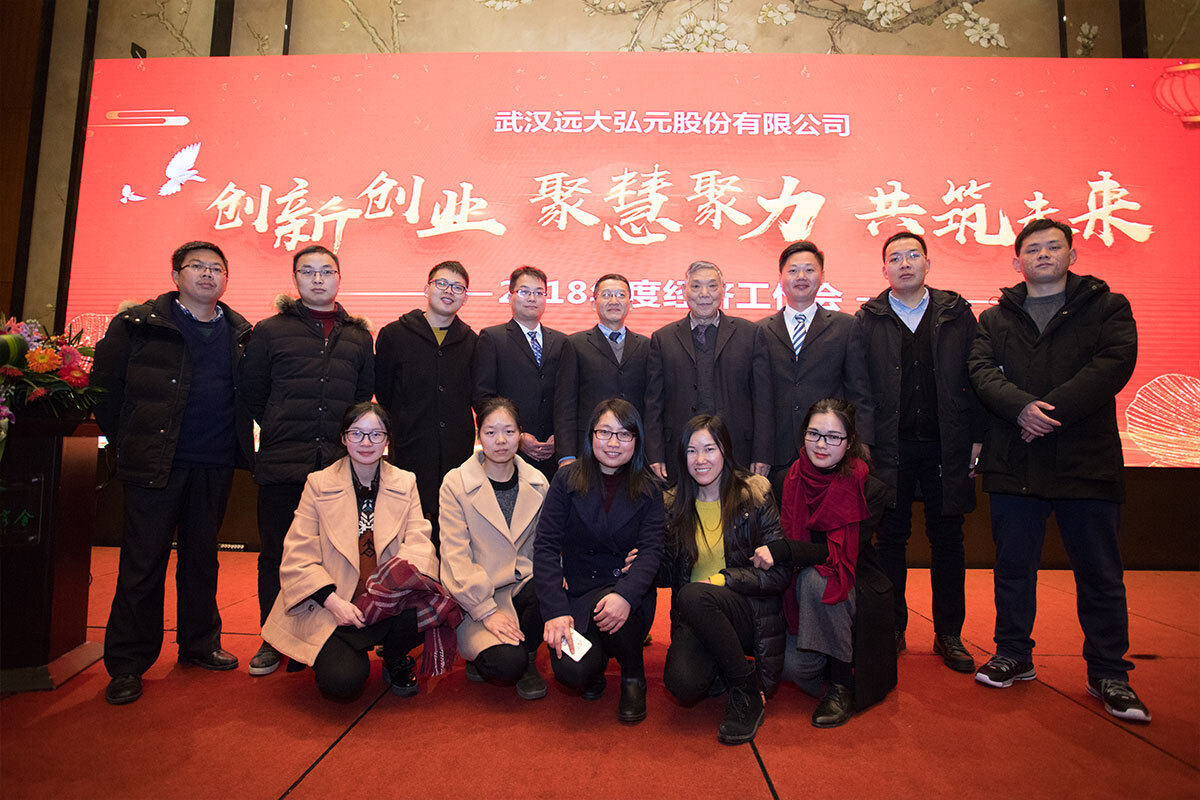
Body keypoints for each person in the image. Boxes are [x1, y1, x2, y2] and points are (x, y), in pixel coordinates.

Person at [968, 218, 1149, 723]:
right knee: (1013, 567)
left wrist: (1047, 413)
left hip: (1084, 459)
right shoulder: (994, 318)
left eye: (1053, 247)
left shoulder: (1107, 307)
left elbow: (1113, 365)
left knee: (1099, 573)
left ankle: (1109, 671)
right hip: (1015, 458)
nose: (1043, 255)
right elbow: (980, 371)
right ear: (1017, 261)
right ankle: (1013, 653)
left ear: (1072, 255)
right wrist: (1021, 409)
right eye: (1033, 249)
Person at [91, 240, 253, 705]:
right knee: (143, 564)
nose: (207, 274)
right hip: (155, 463)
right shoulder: (138, 324)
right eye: (196, 266)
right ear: (175, 275)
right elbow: (104, 390)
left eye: (216, 268)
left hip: (214, 462)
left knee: (202, 558)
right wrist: (129, 441)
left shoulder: (240, 332)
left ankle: (199, 643)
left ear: (226, 279)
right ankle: (128, 662)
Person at [239, 244, 375, 677]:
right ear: (295, 279)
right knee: (277, 553)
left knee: (334, 554)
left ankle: (323, 634)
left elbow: (361, 399)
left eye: (326, 271)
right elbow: (253, 391)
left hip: (336, 465)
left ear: (339, 278)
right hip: (283, 460)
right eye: (308, 271)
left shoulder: (358, 336)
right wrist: (279, 423)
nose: (318, 279)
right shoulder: (269, 331)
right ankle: (273, 637)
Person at [261, 403, 452, 701]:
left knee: (434, 604)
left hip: (386, 603)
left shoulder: (405, 482)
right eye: (357, 433)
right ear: (343, 437)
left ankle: (394, 656)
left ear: (387, 440)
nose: (366, 442)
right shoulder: (318, 484)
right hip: (335, 607)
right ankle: (337, 650)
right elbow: (298, 555)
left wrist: (388, 592)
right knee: (342, 682)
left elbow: (419, 541)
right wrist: (333, 602)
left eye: (376, 434)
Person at [856, 232, 983, 671]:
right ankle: (893, 628)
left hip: (947, 445)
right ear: (884, 269)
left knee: (948, 540)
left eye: (913, 255)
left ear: (928, 263)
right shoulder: (868, 318)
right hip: (889, 448)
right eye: (895, 258)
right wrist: (863, 442)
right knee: (890, 540)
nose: (905, 263)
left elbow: (978, 375)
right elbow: (859, 387)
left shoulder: (956, 313)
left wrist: (978, 435)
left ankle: (949, 633)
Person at [752, 398, 890, 728]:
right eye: (814, 434)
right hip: (798, 591)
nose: (821, 444)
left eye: (833, 437)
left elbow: (836, 554)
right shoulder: (786, 480)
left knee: (819, 579)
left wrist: (785, 550)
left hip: (853, 583)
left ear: (850, 442)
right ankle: (828, 662)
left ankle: (842, 684)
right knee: (791, 669)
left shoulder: (870, 488)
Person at [660, 415, 790, 746]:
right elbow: (666, 572)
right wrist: (641, 560)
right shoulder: (674, 505)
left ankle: (745, 689)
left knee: (694, 595)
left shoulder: (754, 496)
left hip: (746, 610)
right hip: (696, 614)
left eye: (710, 449)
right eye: (691, 451)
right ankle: (720, 665)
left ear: (726, 451)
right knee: (682, 683)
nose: (700, 459)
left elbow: (779, 573)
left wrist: (723, 579)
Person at [533, 399, 664, 724]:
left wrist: (626, 595)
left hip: (626, 593)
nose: (613, 442)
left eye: (624, 434)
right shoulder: (566, 480)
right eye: (605, 432)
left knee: (616, 612)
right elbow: (545, 547)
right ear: (591, 435)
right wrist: (556, 611)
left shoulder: (649, 487)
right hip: (577, 594)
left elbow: (651, 550)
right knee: (572, 673)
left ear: (636, 440)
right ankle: (596, 665)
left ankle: (633, 675)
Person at [439, 398, 551, 699]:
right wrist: (486, 612)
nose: (501, 440)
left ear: (520, 435)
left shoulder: (538, 482)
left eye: (509, 432)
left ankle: (530, 657)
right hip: (477, 595)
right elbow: (455, 558)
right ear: (479, 435)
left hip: (522, 587)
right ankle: (485, 656)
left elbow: (545, 545)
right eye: (490, 432)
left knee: (550, 584)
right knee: (506, 665)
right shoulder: (455, 483)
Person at [759, 241, 873, 497]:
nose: (801, 276)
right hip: (778, 452)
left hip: (831, 448)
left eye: (809, 270)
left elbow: (859, 390)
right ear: (781, 278)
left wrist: (862, 442)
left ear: (822, 276)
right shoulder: (760, 331)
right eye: (793, 270)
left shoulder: (846, 326)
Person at [375, 260, 478, 544]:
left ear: (465, 297)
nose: (449, 291)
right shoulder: (394, 335)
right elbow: (383, 391)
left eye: (458, 287)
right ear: (426, 289)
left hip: (457, 451)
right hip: (410, 446)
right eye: (442, 283)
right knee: (408, 530)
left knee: (454, 530)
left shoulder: (471, 341)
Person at [646, 260, 772, 480]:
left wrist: (762, 453)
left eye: (712, 286)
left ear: (723, 290)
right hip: (680, 451)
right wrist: (655, 454)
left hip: (737, 449)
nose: (704, 294)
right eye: (696, 286)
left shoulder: (750, 334)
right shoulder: (662, 339)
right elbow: (653, 404)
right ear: (684, 291)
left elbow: (763, 400)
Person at [474, 266, 567, 480]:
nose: (532, 298)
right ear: (510, 296)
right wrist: (516, 435)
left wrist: (561, 436)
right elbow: (483, 396)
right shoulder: (492, 338)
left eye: (539, 292)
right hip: (508, 452)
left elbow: (567, 396)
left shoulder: (562, 341)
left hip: (554, 451)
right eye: (524, 291)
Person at [554, 273, 650, 465]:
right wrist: (566, 455)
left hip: (634, 450)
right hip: (588, 448)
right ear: (593, 303)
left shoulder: (646, 345)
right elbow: (565, 404)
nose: (614, 301)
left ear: (630, 303)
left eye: (620, 295)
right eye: (606, 295)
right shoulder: (575, 344)